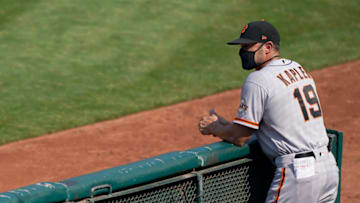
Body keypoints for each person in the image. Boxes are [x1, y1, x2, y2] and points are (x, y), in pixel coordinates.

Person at [198, 20, 339, 203]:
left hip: (300, 175)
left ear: (268, 47)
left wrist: (213, 127)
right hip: (328, 168)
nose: (243, 52)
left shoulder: (257, 79)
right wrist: (225, 124)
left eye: (248, 46)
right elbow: (271, 121)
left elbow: (241, 138)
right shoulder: (297, 68)